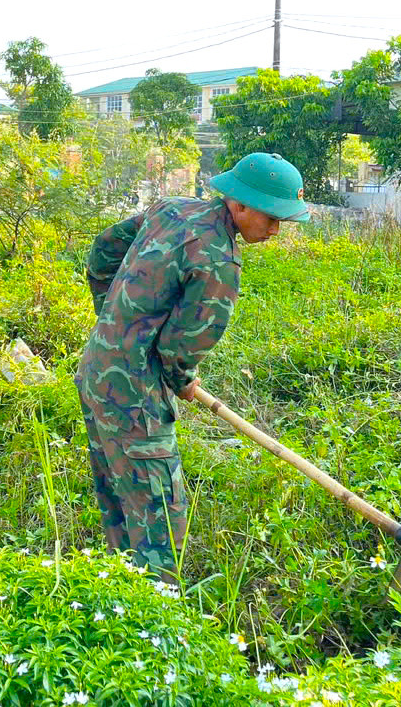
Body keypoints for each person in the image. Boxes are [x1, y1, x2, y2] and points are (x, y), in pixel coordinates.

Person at [75, 152, 311, 579]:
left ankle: (119, 604)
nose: (276, 229)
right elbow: (181, 346)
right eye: (271, 217)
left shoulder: (171, 207)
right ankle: (157, 625)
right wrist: (180, 378)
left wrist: (113, 322)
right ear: (239, 205)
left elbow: (103, 251)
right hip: (134, 398)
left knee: (119, 501)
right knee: (161, 519)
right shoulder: (219, 260)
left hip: (95, 371)